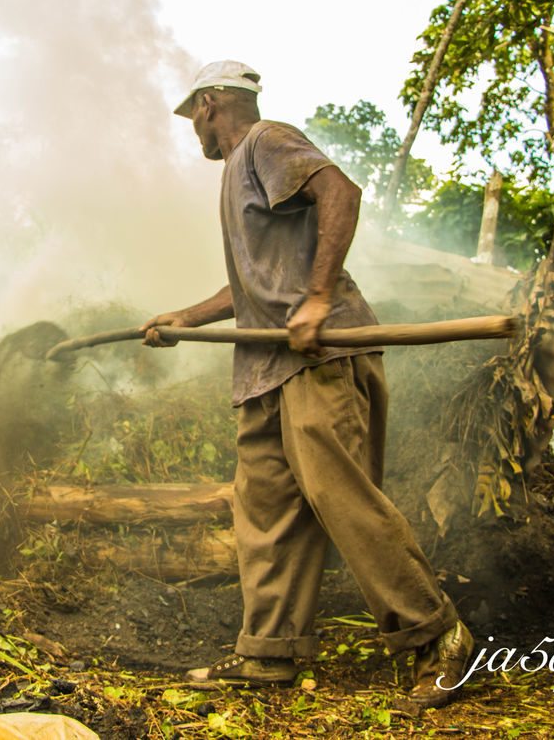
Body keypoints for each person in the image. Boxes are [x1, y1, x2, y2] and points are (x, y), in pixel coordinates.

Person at [141, 61, 472, 707]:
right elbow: (254, 287)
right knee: (264, 512)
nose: (195, 135)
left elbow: (341, 192)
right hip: (264, 369)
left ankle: (439, 638)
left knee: (338, 492)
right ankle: (269, 652)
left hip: (317, 358)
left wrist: (319, 299)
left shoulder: (265, 141)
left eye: (194, 119)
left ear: (212, 104)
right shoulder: (242, 172)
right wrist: (187, 316)